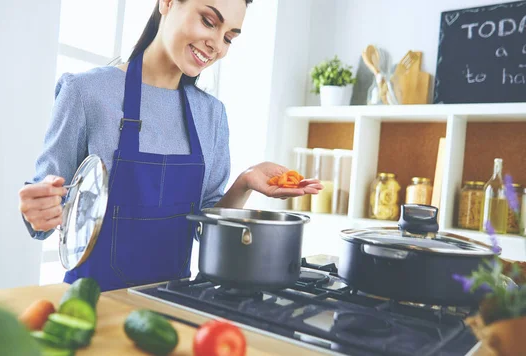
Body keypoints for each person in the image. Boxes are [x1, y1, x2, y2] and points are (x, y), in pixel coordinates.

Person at [19, 0, 322, 292]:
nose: (217, 44)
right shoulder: (85, 92)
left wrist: (245, 181)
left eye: (229, 37)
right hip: (91, 305)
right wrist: (39, 208)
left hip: (172, 308)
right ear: (167, 2)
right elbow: (44, 216)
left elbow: (206, 231)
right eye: (208, 21)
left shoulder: (211, 115)